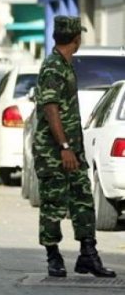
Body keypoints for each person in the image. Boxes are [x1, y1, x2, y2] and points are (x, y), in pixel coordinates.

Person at [33, 15, 116, 278]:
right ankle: (53, 256)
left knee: (83, 200)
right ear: (76, 40)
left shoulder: (65, 65)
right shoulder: (53, 68)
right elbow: (50, 109)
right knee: (53, 203)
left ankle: (88, 255)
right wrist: (65, 146)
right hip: (54, 151)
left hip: (72, 150)